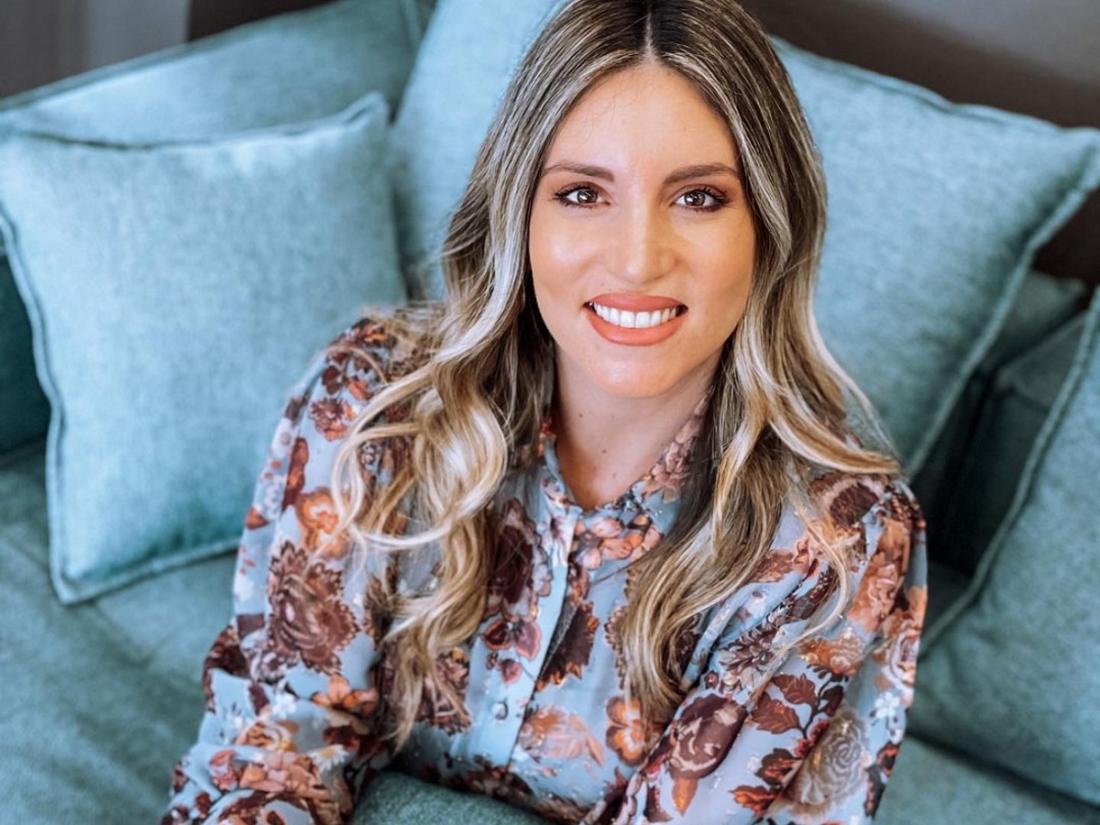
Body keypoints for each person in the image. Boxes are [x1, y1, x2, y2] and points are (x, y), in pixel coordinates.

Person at [161, 0, 928, 822]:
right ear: (520, 212)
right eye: (583, 193)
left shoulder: (832, 545)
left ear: (770, 226)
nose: (637, 259)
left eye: (699, 197)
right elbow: (275, 751)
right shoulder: (370, 404)